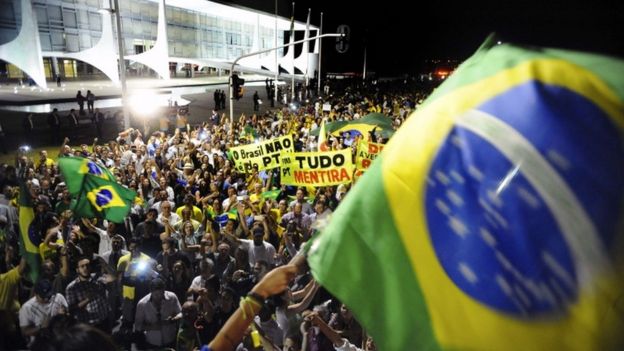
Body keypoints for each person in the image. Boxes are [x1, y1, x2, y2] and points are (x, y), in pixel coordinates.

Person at [134, 277, 182, 349]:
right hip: (152, 343)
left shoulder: (172, 297)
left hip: (170, 340)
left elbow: (181, 313)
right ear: (151, 292)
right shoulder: (142, 304)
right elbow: (138, 326)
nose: (159, 297)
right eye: (156, 294)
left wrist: (173, 319)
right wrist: (151, 327)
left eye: (161, 294)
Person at [19, 279, 68, 345]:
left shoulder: (58, 297)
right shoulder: (27, 307)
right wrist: (41, 327)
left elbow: (68, 314)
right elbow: (24, 332)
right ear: (35, 294)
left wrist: (64, 315)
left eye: (49, 296)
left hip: (59, 341)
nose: (47, 299)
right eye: (43, 297)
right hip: (39, 344)